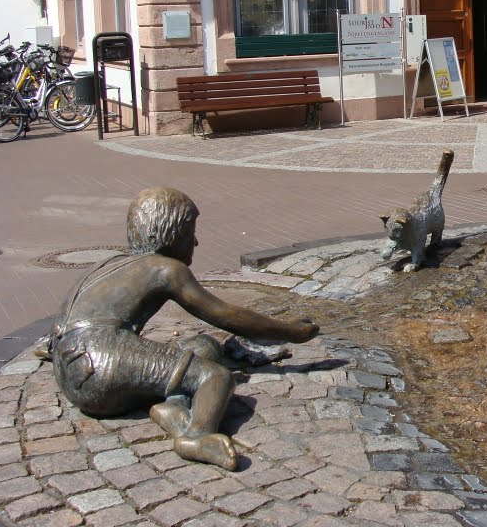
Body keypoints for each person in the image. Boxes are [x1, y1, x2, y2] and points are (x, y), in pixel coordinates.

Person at [45, 187, 320, 469]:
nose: (196, 242)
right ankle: (197, 436)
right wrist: (290, 331)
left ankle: (173, 407)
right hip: (103, 364)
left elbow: (62, 326)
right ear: (170, 233)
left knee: (205, 346)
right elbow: (225, 315)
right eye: (190, 232)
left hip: (69, 368)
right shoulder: (166, 269)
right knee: (216, 377)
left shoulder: (109, 264)